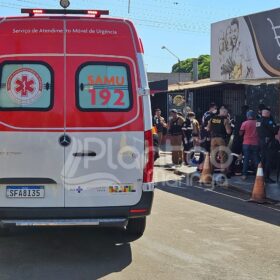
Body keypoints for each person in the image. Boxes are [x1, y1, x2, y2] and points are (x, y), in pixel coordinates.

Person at [256, 108, 279, 183]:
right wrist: (278, 126)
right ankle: (266, 177)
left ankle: (261, 175)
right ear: (267, 113)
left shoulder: (258, 121)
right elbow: (274, 130)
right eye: (269, 113)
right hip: (269, 142)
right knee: (268, 159)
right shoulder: (268, 120)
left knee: (263, 159)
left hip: (261, 141)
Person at [207, 107, 232, 172]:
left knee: (213, 155)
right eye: (226, 112)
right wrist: (229, 125)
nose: (227, 114)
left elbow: (208, 129)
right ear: (223, 112)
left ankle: (210, 171)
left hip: (213, 139)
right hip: (221, 139)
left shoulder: (212, 119)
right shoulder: (225, 120)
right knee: (223, 156)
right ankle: (224, 172)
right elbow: (228, 131)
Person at [239, 110, 259, 180]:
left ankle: (244, 175)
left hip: (246, 143)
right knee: (256, 158)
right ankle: (259, 174)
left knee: (246, 159)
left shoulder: (244, 123)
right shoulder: (257, 123)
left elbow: (240, 133)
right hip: (255, 143)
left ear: (247, 116)